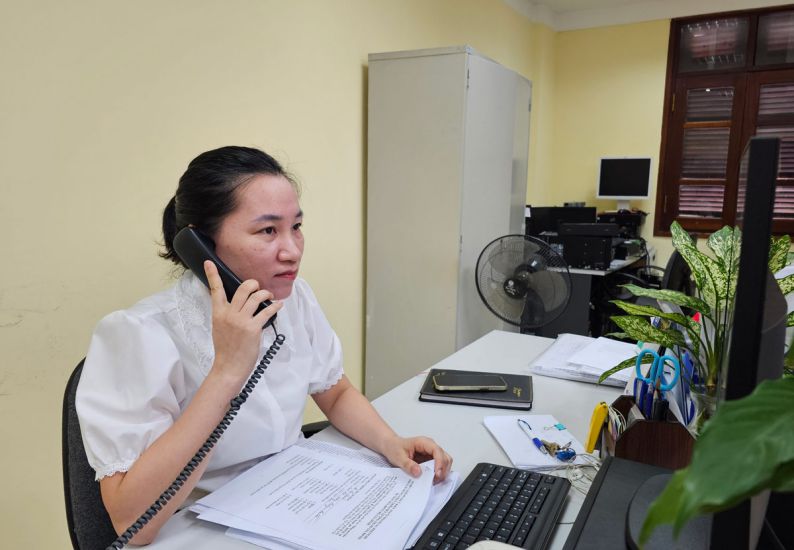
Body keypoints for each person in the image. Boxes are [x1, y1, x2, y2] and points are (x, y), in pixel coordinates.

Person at [76, 145, 453, 545]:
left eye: (297, 227)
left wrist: (391, 443)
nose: (292, 251)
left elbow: (334, 390)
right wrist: (226, 372)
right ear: (200, 244)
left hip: (294, 500)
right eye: (268, 231)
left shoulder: (292, 298)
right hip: (200, 527)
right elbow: (133, 523)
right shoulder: (138, 334)